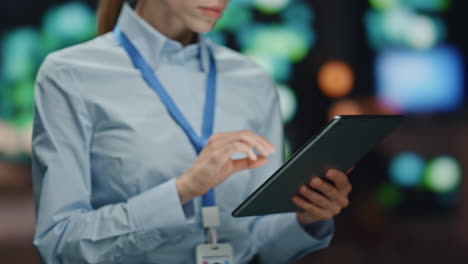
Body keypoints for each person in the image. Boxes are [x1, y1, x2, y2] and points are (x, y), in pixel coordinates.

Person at [31, 0, 353, 263]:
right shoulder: (70, 75)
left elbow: (257, 242)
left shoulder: (252, 79)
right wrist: (182, 191)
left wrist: (307, 216)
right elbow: (60, 244)